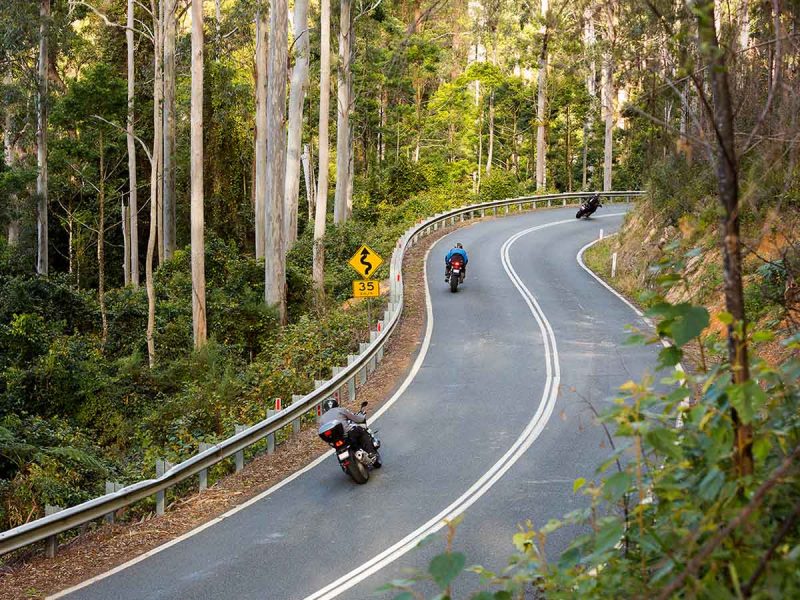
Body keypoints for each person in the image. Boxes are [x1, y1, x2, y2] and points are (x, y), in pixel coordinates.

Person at [319, 398, 379, 464]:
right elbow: (356, 418)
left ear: (325, 409)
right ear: (336, 404)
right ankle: (371, 452)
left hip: (335, 441)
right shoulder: (341, 410)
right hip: (348, 434)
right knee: (362, 431)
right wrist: (362, 418)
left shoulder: (322, 419)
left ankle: (345, 464)